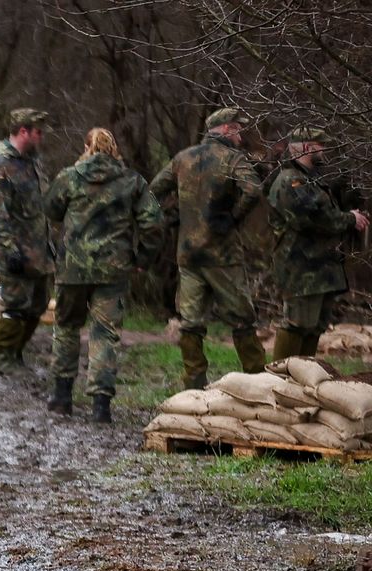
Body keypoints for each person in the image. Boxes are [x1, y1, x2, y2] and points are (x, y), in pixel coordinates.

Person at [45, 128, 164, 420]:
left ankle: (61, 397)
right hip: (113, 269)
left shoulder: (69, 177)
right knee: (105, 334)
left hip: (72, 268)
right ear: (114, 148)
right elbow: (154, 223)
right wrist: (142, 259)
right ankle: (101, 406)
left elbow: (50, 209)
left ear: (86, 147)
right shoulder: (131, 181)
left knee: (67, 327)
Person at [150, 108, 267, 389]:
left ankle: (193, 383)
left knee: (190, 322)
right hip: (222, 254)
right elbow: (253, 190)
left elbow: (153, 189)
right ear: (226, 129)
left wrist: (171, 217)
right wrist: (233, 217)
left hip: (188, 253)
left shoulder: (183, 157)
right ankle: (257, 380)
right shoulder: (232, 158)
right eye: (238, 128)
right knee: (241, 319)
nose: (241, 134)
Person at [267, 127, 368, 359]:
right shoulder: (290, 181)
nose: (325, 151)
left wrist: (348, 217)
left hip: (320, 269)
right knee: (296, 323)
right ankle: (279, 377)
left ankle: (301, 375)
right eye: (321, 146)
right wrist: (349, 219)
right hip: (300, 268)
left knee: (315, 326)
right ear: (306, 147)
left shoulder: (310, 180)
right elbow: (310, 219)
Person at [0, 109, 55, 376]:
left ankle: (16, 354)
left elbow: (40, 205)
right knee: (15, 305)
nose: (41, 137)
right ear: (23, 131)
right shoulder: (2, 164)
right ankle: (2, 359)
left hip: (38, 247)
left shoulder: (33, 162)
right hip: (14, 249)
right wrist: (9, 249)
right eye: (38, 131)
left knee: (38, 303)